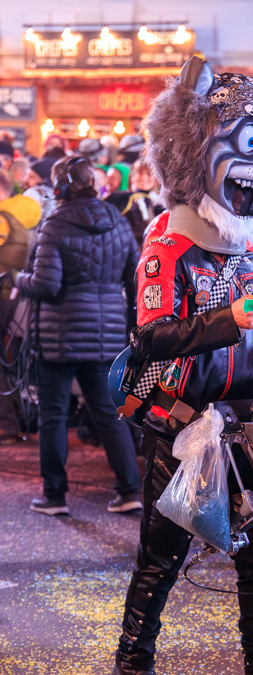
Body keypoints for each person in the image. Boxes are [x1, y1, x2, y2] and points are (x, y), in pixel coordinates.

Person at [109, 57, 253, 675]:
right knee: (162, 552)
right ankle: (132, 667)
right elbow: (151, 337)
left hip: (242, 424)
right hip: (179, 418)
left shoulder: (251, 248)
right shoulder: (168, 241)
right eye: (247, 146)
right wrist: (230, 320)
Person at [13, 156, 142, 516]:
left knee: (53, 415)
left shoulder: (54, 225)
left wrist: (16, 281)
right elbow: (135, 279)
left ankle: (55, 496)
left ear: (60, 187)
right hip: (105, 337)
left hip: (58, 338)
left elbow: (45, 284)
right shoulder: (116, 220)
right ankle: (129, 489)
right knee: (107, 412)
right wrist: (129, 325)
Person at [105, 158, 163, 246]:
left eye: (148, 174)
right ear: (132, 175)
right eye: (140, 173)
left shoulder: (161, 204)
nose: (144, 178)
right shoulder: (121, 198)